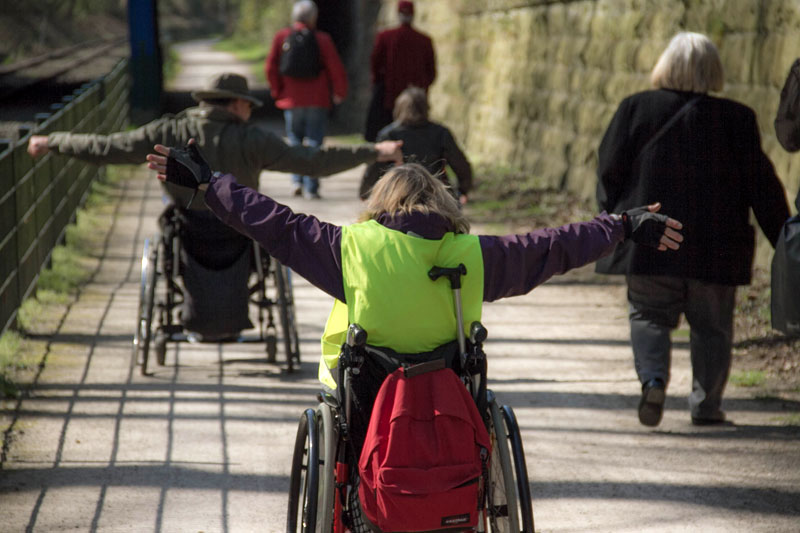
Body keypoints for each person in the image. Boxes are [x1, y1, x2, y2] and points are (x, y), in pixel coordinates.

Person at [147, 144, 683, 431]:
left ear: (381, 204)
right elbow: (552, 246)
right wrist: (624, 225)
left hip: (362, 397)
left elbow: (273, 222)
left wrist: (211, 184)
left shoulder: (349, 248)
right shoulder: (472, 255)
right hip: (448, 395)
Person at [28, 72, 402, 341]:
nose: (251, 112)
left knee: (171, 226)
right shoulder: (253, 139)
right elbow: (312, 160)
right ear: (237, 105)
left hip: (187, 231)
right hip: (242, 232)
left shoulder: (168, 130)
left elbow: (108, 148)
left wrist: (54, 141)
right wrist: (373, 152)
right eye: (249, 106)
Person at [595, 32, 790, 427]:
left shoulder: (635, 109)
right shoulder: (738, 118)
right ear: (713, 70)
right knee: (713, 329)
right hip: (717, 249)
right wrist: (784, 240)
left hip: (652, 240)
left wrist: (616, 223)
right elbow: (762, 185)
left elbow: (608, 171)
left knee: (648, 316)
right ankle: (706, 405)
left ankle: (653, 381)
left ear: (665, 65)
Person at [265, 0, 348, 199]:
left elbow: (270, 67)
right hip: (317, 100)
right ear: (313, 18)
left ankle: (297, 182)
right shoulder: (323, 39)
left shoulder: (282, 37)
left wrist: (277, 91)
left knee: (294, 142)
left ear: (294, 17)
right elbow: (335, 68)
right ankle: (311, 186)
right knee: (314, 143)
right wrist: (339, 92)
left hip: (291, 100)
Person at [359, 86, 472, 204]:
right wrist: (463, 190)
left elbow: (375, 166)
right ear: (426, 108)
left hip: (398, 195)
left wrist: (365, 191)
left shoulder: (388, 135)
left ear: (398, 108)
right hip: (435, 195)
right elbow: (460, 164)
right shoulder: (440, 133)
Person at [364, 0, 436, 142]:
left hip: (390, 95)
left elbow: (376, 64)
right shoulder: (424, 41)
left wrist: (379, 83)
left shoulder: (386, 37)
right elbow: (431, 73)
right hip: (415, 99)